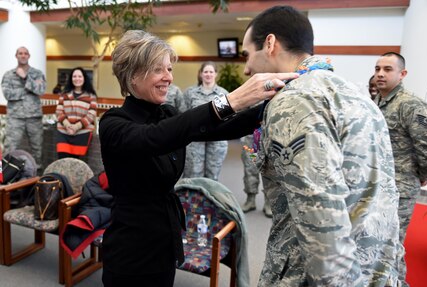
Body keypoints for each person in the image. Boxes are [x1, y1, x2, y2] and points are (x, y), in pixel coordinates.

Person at [98, 30, 297, 287]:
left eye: (169, 69)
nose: (168, 78)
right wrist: (232, 99)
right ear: (133, 75)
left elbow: (220, 127)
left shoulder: (167, 113)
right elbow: (156, 138)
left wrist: (271, 104)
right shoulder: (114, 124)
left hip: (165, 243)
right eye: (159, 70)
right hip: (131, 252)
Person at [242, 6, 403, 286]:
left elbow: (320, 218)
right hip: (376, 266)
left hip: (316, 275)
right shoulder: (354, 92)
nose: (246, 68)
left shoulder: (293, 103)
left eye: (247, 54)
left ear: (269, 44)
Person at [373, 51, 427, 284]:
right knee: (378, 242)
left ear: (402, 74)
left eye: (387, 69)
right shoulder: (379, 101)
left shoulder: (411, 105)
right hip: (379, 183)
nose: (380, 74)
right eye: (377, 69)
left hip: (400, 187)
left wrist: (424, 175)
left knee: (392, 244)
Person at [182, 61, 229, 181]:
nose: (208, 74)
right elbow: (184, 115)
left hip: (216, 139)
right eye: (205, 71)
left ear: (216, 74)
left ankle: (209, 199)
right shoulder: (190, 93)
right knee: (193, 174)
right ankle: (192, 200)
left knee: (212, 176)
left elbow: (228, 118)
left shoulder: (223, 94)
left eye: (211, 72)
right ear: (201, 74)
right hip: (195, 139)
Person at [1, 46, 46, 168]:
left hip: (34, 117)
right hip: (15, 117)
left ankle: (38, 175)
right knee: (10, 147)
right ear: (16, 56)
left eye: (25, 53)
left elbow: (41, 90)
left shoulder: (37, 74)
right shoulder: (9, 75)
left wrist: (25, 78)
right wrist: (30, 88)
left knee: (37, 148)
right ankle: (5, 175)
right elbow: (8, 95)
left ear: (29, 56)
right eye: (20, 53)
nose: (23, 55)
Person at [55, 67, 98, 159]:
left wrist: (76, 127)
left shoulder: (91, 96)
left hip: (82, 133)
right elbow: (59, 112)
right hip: (63, 132)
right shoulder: (64, 94)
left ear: (84, 78)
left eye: (79, 76)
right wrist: (67, 125)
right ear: (71, 78)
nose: (77, 79)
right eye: (74, 76)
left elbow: (91, 115)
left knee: (77, 162)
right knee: (62, 160)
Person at [240, 134, 272, 217]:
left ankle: (269, 202)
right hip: (251, 131)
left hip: (269, 130)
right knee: (250, 165)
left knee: (269, 166)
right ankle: (250, 200)